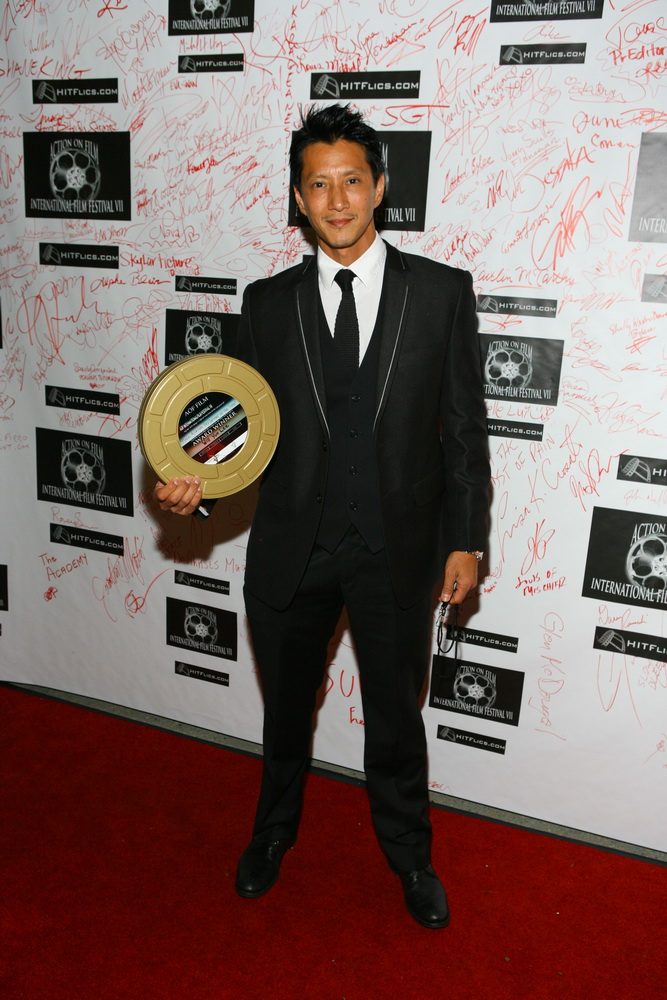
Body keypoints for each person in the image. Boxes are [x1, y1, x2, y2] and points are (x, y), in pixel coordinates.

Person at [156, 103, 490, 929]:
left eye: (350, 181)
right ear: (298, 199)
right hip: (291, 549)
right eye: (317, 185)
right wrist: (196, 485)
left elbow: (464, 430)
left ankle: (410, 856)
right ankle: (271, 834)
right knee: (284, 714)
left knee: (395, 719)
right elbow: (233, 426)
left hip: (397, 552)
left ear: (379, 187)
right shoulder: (266, 304)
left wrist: (466, 540)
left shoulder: (440, 293)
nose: (335, 200)